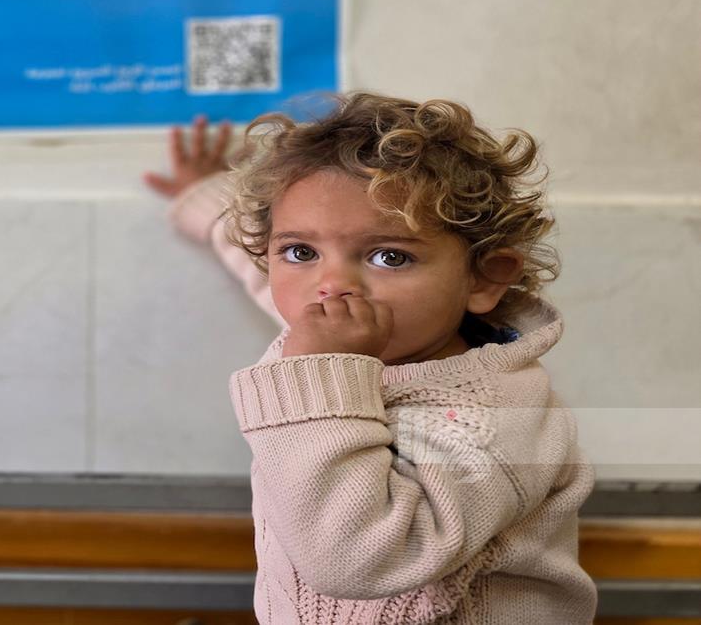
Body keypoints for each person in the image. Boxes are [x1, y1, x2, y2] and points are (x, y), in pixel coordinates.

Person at [144, 94, 597, 624]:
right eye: (301, 252)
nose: (331, 285)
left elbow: (360, 560)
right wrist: (205, 194)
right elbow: (263, 274)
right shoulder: (345, 324)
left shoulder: (497, 417)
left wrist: (319, 373)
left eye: (389, 256)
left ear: (483, 278)